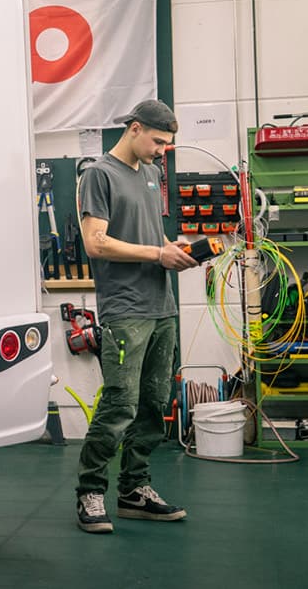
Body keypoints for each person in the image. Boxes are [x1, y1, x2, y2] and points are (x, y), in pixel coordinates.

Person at [71, 99, 199, 534]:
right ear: (135, 128)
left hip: (162, 306)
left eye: (166, 145)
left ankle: (134, 490)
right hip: (125, 310)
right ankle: (90, 491)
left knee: (153, 405)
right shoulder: (99, 175)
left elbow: (149, 235)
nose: (162, 151)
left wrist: (171, 248)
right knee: (119, 404)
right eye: (158, 141)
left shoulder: (149, 173)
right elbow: (96, 243)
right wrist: (156, 254)